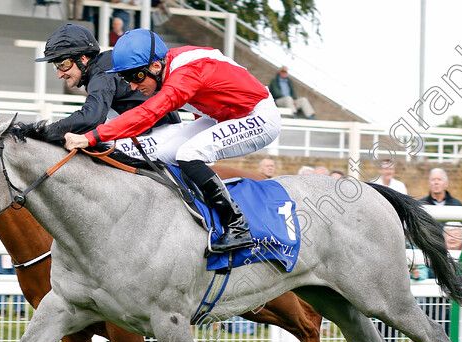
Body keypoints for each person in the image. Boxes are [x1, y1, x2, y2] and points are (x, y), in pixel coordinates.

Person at [63, 29, 283, 253]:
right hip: (222, 115)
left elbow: (148, 114)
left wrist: (91, 137)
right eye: (125, 78)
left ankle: (238, 227)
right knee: (164, 154)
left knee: (189, 154)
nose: (132, 86)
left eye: (135, 77)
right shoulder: (168, 64)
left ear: (156, 67)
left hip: (258, 116)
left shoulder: (185, 73)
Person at [26, 24, 181, 163]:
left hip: (163, 134)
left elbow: (91, 118)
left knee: (98, 154)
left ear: (83, 58)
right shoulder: (100, 70)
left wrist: (40, 132)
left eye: (64, 64)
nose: (60, 74)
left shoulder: (101, 73)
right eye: (56, 66)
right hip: (149, 133)